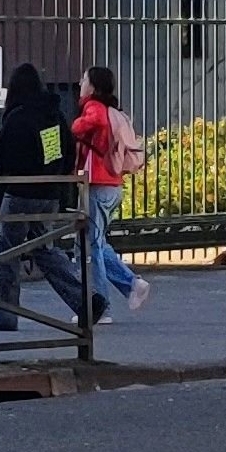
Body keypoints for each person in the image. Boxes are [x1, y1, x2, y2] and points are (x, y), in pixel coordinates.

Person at [0, 63, 91, 332]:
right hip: (49, 194)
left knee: (6, 253)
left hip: (20, 194)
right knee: (45, 250)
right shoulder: (53, 114)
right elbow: (64, 152)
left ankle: (5, 315)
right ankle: (85, 302)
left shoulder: (17, 118)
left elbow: (8, 161)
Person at [71, 66, 147, 313]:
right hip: (111, 185)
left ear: (92, 86)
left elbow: (90, 123)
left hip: (97, 184)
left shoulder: (94, 107)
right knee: (96, 242)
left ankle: (99, 307)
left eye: (84, 79)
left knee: (90, 247)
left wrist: (74, 125)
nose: (80, 83)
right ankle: (132, 284)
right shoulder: (113, 111)